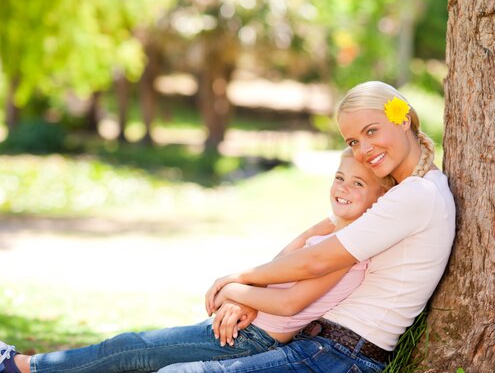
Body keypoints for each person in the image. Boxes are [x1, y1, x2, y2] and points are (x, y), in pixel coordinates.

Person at [0, 148, 393, 373]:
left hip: (253, 339)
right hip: (244, 323)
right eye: (340, 177)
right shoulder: (335, 226)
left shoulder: (348, 248)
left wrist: (234, 289)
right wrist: (244, 297)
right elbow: (285, 258)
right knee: (138, 355)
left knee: (133, 349)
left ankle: (19, 367)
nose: (342, 188)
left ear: (379, 201)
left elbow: (291, 303)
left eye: (358, 184)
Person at [157, 80, 456, 373]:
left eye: (371, 131)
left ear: (403, 120)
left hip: (341, 357)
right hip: (311, 341)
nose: (364, 149)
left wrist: (240, 281)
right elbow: (318, 236)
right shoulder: (401, 192)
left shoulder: (418, 194)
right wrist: (253, 293)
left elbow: (316, 261)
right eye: (353, 141)